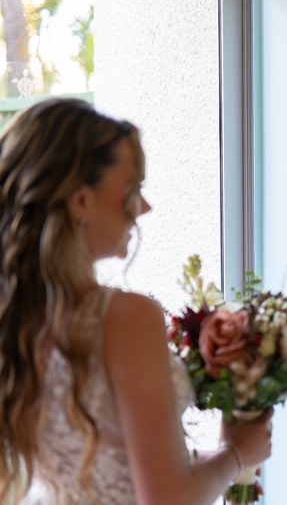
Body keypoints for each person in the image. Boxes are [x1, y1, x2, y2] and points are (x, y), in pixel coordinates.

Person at [0, 98, 273, 504]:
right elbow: (164, 499)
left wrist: (200, 462)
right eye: (133, 188)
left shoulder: (14, 317)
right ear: (81, 200)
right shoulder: (124, 317)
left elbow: (101, 466)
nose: (143, 207)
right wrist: (237, 454)